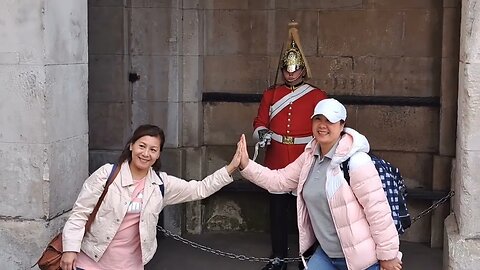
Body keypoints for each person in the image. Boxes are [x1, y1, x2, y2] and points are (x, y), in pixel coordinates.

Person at [239, 99, 403, 270]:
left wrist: (388, 256)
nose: (322, 125)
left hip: (362, 261)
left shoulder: (356, 161)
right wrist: (245, 164)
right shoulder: (310, 156)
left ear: (341, 125)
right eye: (318, 119)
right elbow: (280, 181)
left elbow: (378, 212)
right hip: (326, 255)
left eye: (330, 120)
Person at [60, 124, 242, 270]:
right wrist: (70, 249)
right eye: (142, 146)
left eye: (153, 149)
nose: (146, 153)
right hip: (91, 261)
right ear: (131, 146)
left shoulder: (161, 184)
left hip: (131, 265)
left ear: (158, 154)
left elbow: (199, 189)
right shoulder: (106, 175)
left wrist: (232, 167)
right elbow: (80, 214)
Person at [252, 21, 327, 270]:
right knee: (277, 214)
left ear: (303, 69)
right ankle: (278, 257)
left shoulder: (317, 96)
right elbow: (260, 121)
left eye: (295, 69)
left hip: (303, 159)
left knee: (309, 214)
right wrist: (261, 132)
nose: (290, 73)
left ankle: (311, 258)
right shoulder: (270, 94)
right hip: (276, 159)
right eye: (287, 69)